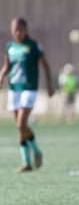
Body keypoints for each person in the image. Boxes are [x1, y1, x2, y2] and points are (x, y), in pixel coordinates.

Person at [0, 17, 55, 172]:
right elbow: (7, 66)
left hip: (29, 88)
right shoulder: (9, 46)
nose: (17, 33)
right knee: (20, 128)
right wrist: (1, 77)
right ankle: (26, 162)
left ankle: (37, 151)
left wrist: (50, 85)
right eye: (14, 30)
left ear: (26, 30)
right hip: (14, 89)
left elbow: (45, 65)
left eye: (20, 29)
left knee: (21, 123)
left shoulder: (33, 46)